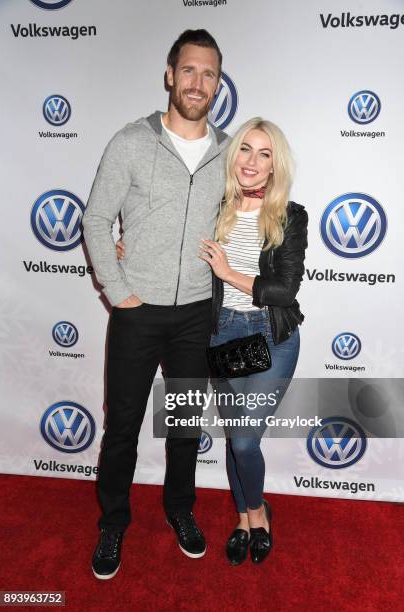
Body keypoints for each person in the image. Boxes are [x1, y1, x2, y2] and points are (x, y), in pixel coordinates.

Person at [82, 29, 230, 579]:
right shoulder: (130, 141)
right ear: (170, 75)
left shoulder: (227, 150)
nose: (198, 83)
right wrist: (117, 291)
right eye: (188, 70)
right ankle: (113, 523)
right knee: (121, 426)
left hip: (196, 311)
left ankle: (180, 510)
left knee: (186, 424)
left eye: (209, 74)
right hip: (137, 311)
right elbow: (96, 219)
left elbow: (249, 217)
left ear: (218, 84)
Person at [199, 117, 308, 565]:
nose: (252, 161)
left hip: (271, 337)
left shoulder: (289, 215)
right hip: (222, 333)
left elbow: (285, 290)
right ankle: (244, 518)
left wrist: (228, 274)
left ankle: (259, 512)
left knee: (245, 441)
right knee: (234, 439)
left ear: (274, 167)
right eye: (245, 149)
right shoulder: (213, 206)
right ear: (234, 155)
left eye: (264, 154)